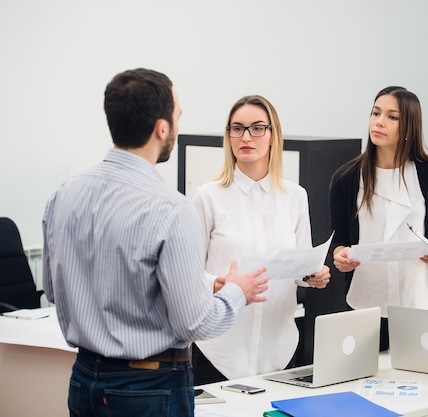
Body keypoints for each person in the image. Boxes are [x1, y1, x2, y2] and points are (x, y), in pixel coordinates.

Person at [42, 68, 269, 417]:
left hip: (83, 380)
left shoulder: (64, 194)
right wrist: (237, 291)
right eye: (177, 117)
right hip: (148, 390)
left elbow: (55, 291)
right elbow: (195, 324)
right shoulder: (172, 210)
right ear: (162, 129)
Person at [190, 94, 331, 382]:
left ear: (272, 135)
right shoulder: (208, 197)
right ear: (228, 136)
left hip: (279, 348)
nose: (246, 137)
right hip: (218, 350)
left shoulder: (295, 196)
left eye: (257, 128)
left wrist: (313, 275)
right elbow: (186, 272)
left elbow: (300, 268)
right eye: (237, 128)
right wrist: (216, 282)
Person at [329, 86, 428, 351]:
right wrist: (341, 255)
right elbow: (339, 239)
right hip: (366, 302)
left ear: (409, 127)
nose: (379, 121)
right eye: (376, 113)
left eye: (392, 117)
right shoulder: (347, 177)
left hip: (421, 299)